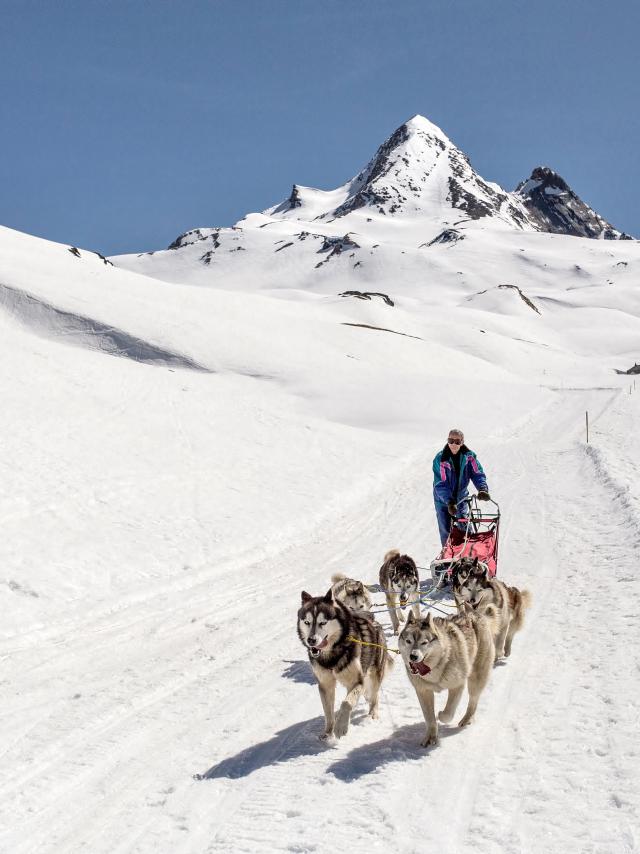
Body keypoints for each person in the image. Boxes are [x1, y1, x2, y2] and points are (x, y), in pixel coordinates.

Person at [432, 429, 490, 546]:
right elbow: (440, 484)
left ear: (462, 442)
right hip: (443, 501)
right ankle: (448, 558)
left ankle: (469, 553)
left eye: (457, 441)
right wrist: (449, 501)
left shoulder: (469, 457)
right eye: (450, 440)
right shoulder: (441, 459)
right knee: (446, 530)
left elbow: (477, 473)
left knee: (465, 525)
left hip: (461, 498)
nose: (453, 444)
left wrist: (482, 489)